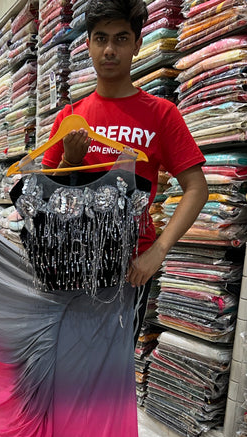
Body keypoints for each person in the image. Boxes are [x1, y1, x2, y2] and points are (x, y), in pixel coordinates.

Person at [41, 0, 209, 340]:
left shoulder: (161, 114)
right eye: (101, 38)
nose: (109, 50)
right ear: (87, 45)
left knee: (112, 371)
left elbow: (197, 187)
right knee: (67, 364)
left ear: (136, 44)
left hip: (130, 269)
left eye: (120, 39)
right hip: (70, 262)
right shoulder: (71, 117)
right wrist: (70, 162)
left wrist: (157, 253)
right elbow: (45, 196)